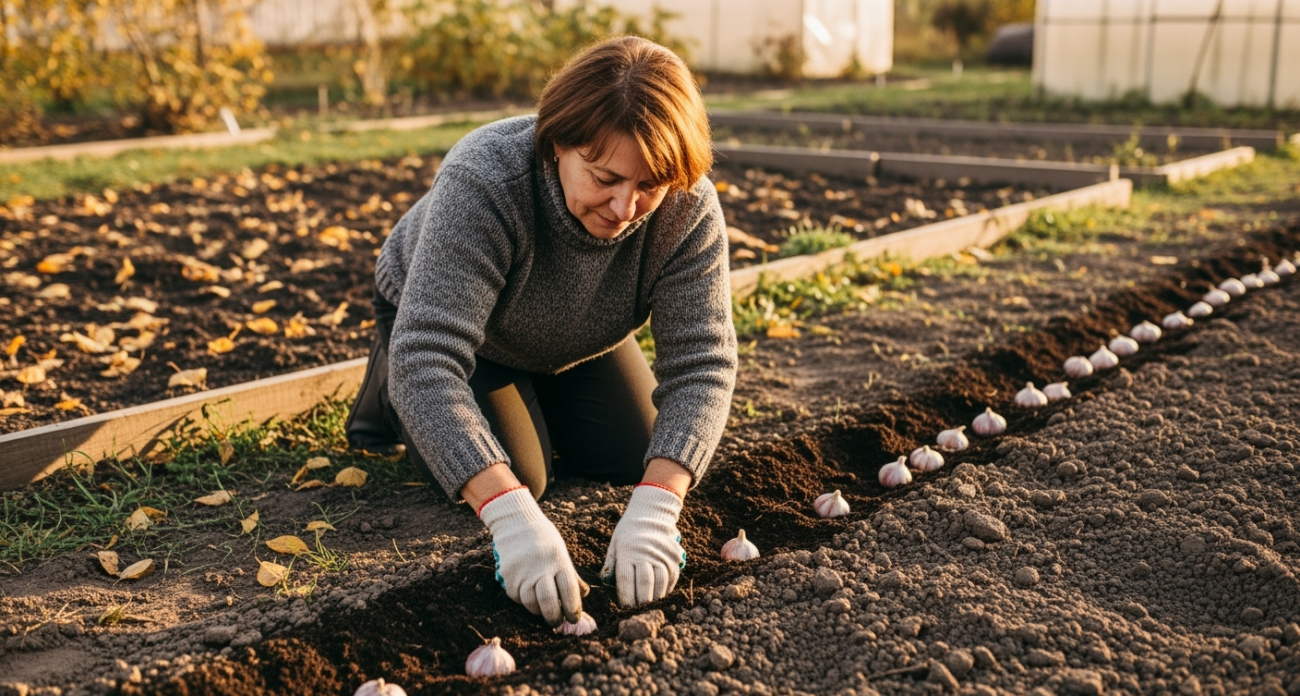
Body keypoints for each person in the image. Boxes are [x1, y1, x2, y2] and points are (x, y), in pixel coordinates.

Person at [344, 36, 737, 627]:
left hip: (580, 338)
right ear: (558, 144)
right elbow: (429, 359)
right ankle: (385, 390)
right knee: (524, 476)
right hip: (462, 338)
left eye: (649, 185)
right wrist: (508, 513)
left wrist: (659, 503)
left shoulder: (687, 207)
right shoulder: (487, 178)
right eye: (604, 177)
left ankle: (537, 392)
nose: (626, 207)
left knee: (641, 455)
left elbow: (704, 362)